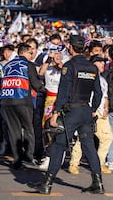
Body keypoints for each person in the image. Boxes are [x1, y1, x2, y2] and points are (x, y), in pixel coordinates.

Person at [27, 35, 104, 195]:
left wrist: (55, 113)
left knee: (58, 145)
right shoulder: (92, 68)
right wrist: (93, 109)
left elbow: (62, 93)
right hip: (86, 111)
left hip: (72, 111)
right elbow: (98, 92)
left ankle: (47, 184)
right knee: (89, 147)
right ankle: (98, 183)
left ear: (70, 47)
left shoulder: (69, 66)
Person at [0, 43, 46, 170]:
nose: (32, 56)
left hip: (6, 100)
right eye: (30, 53)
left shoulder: (7, 65)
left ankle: (17, 159)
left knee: (14, 131)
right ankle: (28, 157)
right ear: (25, 53)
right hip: (22, 100)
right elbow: (36, 84)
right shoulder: (28, 65)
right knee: (28, 129)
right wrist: (46, 90)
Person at [67, 55, 112, 174]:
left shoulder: (103, 80)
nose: (102, 64)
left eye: (103, 62)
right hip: (89, 110)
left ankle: (100, 163)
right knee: (84, 138)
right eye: (99, 62)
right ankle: (74, 164)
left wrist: (106, 108)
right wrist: (91, 110)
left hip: (101, 112)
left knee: (107, 137)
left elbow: (105, 96)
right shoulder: (88, 76)